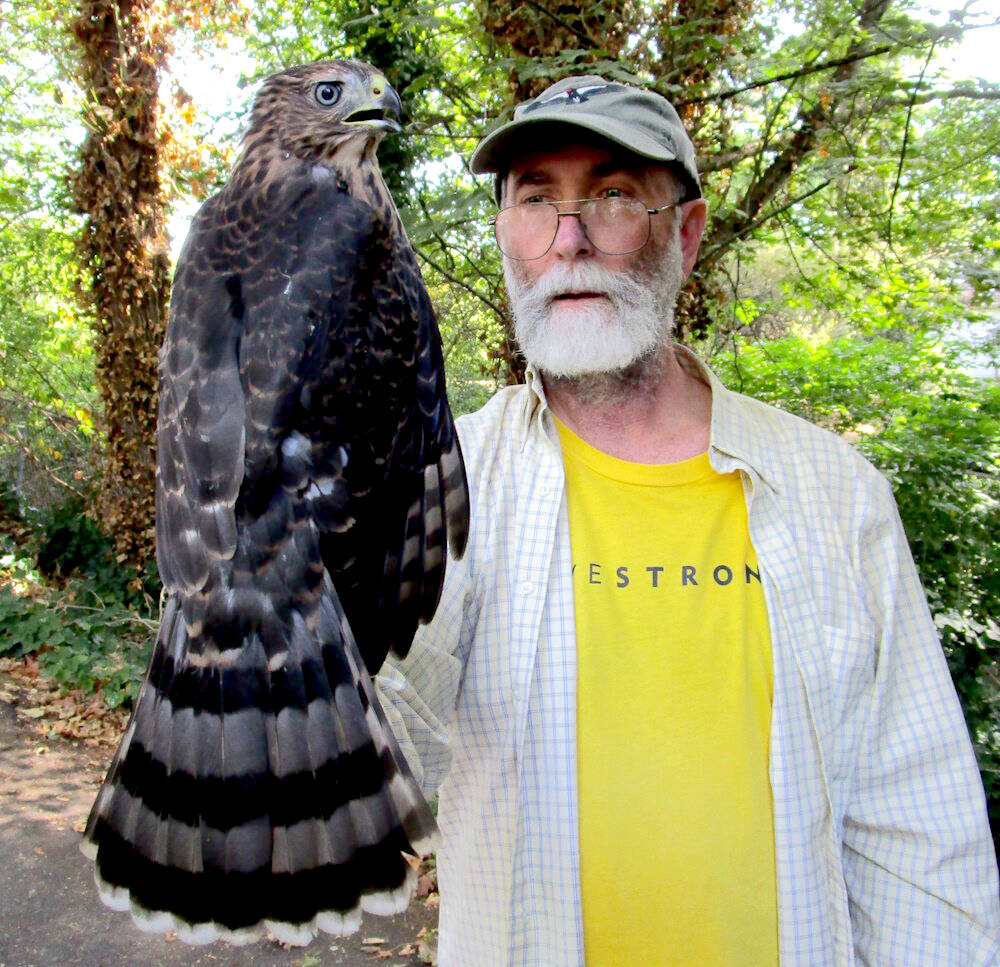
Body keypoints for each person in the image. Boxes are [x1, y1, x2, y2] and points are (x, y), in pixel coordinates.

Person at [375, 75, 1000, 966]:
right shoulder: (444, 479)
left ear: (689, 233)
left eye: (615, 195)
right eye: (534, 200)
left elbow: (917, 829)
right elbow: (384, 711)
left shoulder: (837, 495)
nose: (569, 240)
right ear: (506, 237)